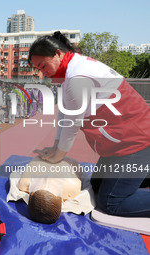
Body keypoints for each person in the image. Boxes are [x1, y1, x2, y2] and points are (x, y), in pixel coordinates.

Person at [29, 31, 150, 217]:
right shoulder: (71, 71)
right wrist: (55, 146)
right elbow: (65, 110)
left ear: (58, 54)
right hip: (119, 144)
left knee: (110, 202)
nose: (42, 73)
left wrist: (58, 156)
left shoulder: (78, 76)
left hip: (136, 142)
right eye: (38, 69)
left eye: (42, 66)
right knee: (95, 187)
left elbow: (72, 123)